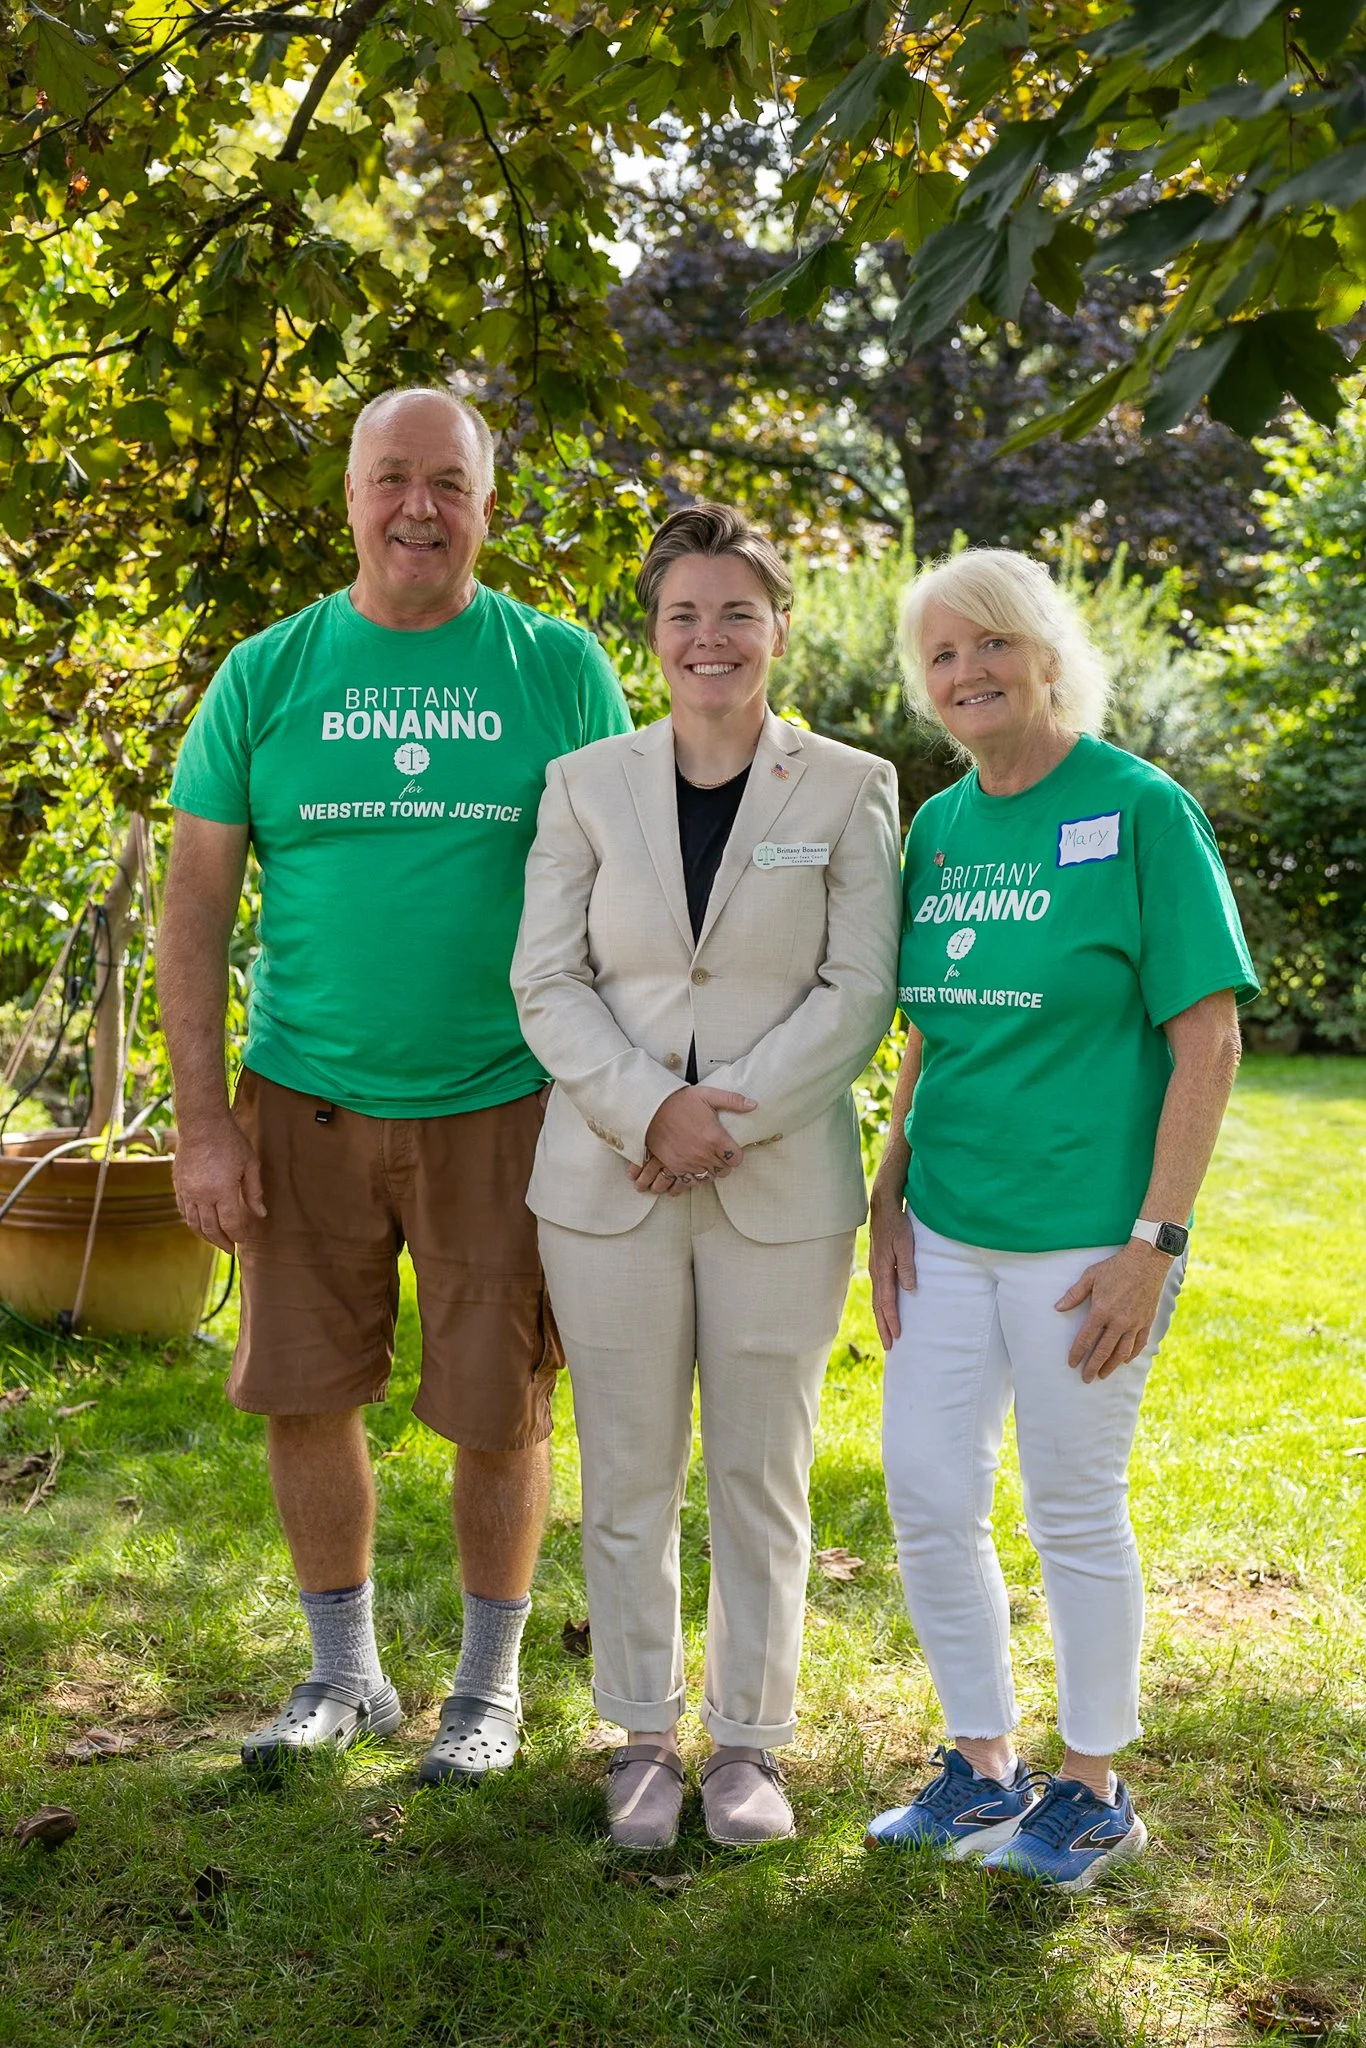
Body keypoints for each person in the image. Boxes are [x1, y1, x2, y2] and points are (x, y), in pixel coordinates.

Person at [159, 386, 631, 1779]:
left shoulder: (556, 667)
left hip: (504, 1100)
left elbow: (628, 896)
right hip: (302, 1099)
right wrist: (199, 1121)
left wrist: (619, 1096)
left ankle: (486, 1693)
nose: (417, 508)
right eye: (392, 479)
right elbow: (194, 910)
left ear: (486, 504)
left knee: (500, 1401)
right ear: (350, 496)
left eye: (448, 483)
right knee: (305, 1393)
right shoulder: (267, 673)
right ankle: (344, 1676)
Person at [864, 548, 1258, 1889]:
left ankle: (1091, 1788)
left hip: (1088, 1239)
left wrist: (1154, 1244)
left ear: (1043, 653)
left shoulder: (1140, 812)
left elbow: (1206, 1036)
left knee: (1070, 1508)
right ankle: (980, 1765)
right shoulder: (938, 827)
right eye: (942, 657)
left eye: (991, 646)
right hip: (945, 1220)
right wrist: (884, 1186)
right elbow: (928, 1028)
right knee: (924, 1485)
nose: (967, 673)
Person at [512, 504, 900, 1849]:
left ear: (777, 627)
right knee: (624, 1466)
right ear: (654, 633)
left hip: (777, 1181)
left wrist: (719, 1119)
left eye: (736, 611)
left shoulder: (847, 787)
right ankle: (636, 1738)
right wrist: (646, 1111)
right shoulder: (583, 781)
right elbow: (547, 980)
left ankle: (747, 1743)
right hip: (605, 1180)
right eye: (683, 613)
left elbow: (858, 992)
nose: (709, 636)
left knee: (759, 1469)